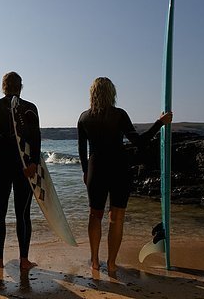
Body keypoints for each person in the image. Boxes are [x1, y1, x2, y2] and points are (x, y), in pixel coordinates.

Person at [77, 77, 172, 276]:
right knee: (116, 218)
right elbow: (138, 141)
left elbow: (82, 150)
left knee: (95, 215)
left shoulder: (84, 118)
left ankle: (95, 261)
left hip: (96, 170)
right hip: (119, 169)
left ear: (92, 93)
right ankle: (111, 264)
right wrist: (159, 123)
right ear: (112, 93)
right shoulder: (119, 115)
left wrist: (86, 172)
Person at [0, 72, 40, 270]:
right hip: (24, 169)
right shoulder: (30, 108)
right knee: (23, 214)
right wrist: (34, 164)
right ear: (20, 86)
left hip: (0, 168)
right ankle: (23, 261)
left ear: (3, 86)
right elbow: (36, 138)